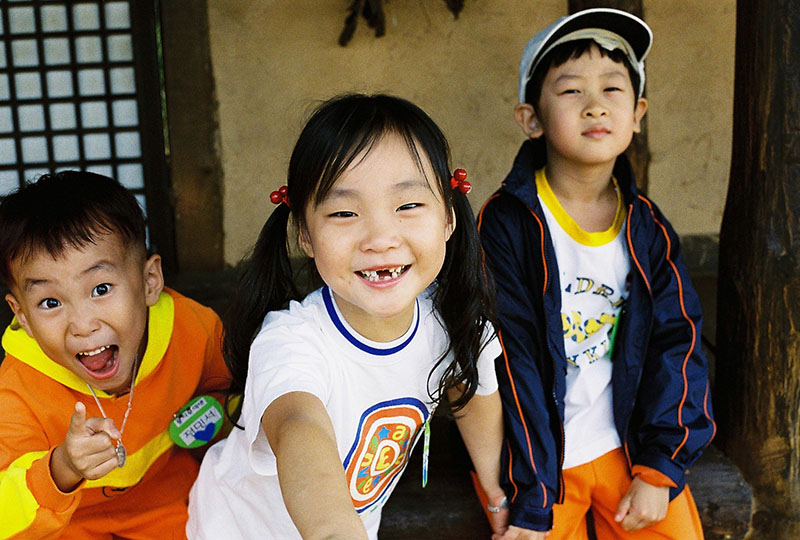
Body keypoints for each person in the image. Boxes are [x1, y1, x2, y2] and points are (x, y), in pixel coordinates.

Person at [187, 93, 529, 539]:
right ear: (305, 235)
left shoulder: (452, 319)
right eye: (345, 212)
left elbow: (473, 387)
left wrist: (496, 491)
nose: (380, 237)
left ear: (448, 217)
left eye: (407, 206)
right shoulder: (290, 343)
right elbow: (299, 430)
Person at [478, 9, 716, 540]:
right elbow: (508, 360)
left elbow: (679, 342)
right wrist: (533, 500)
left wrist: (661, 466)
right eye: (569, 91)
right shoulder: (509, 222)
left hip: (625, 449)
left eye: (613, 88)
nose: (595, 105)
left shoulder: (647, 228)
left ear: (637, 114)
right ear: (531, 119)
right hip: (536, 464)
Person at [0, 171, 231, 539]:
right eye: (50, 302)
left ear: (149, 281)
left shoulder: (192, 329)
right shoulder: (16, 389)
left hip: (167, 501)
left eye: (101, 288)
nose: (82, 324)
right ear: (22, 316)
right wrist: (62, 467)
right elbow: (5, 512)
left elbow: (227, 405)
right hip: (68, 522)